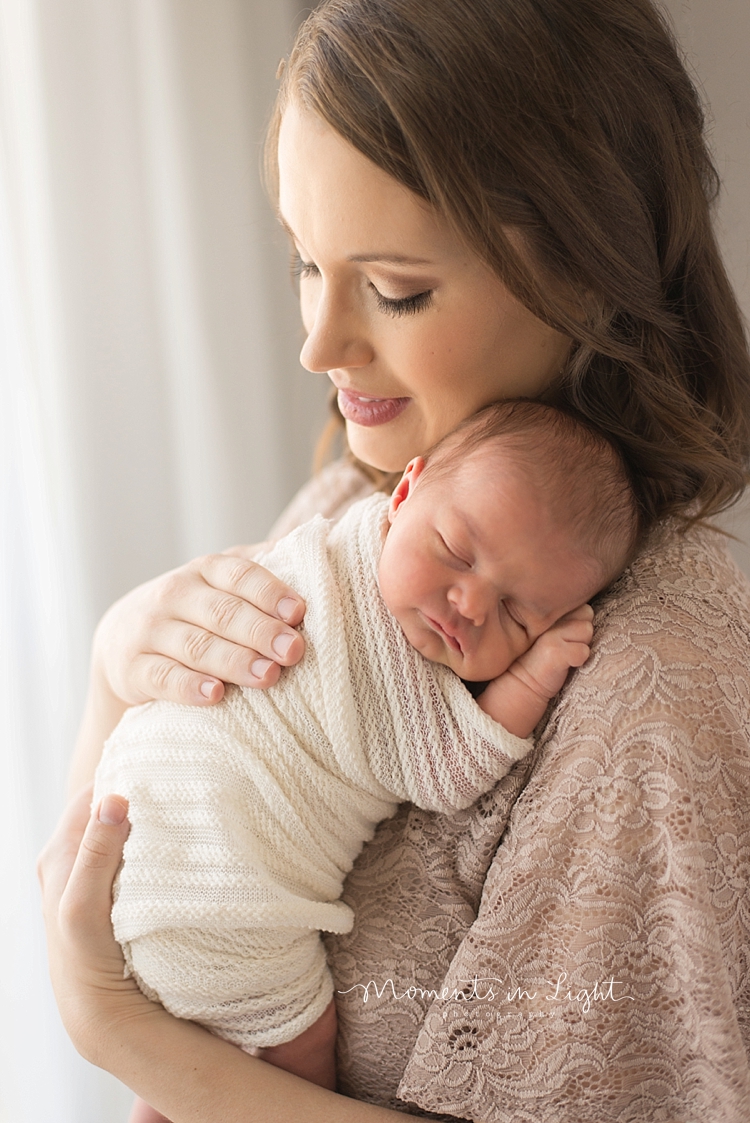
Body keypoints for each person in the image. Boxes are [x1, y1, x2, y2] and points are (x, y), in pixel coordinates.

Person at [38, 0, 750, 1120]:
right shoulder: (347, 507)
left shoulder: (650, 695)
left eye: (397, 287)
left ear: (589, 276)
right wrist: (112, 672)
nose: (319, 342)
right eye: (306, 263)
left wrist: (115, 1030)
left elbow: (124, 1008)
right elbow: (113, 885)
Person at [96, 400, 635, 1121]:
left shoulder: (338, 537)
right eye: (454, 549)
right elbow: (449, 771)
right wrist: (528, 680)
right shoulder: (345, 588)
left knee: (181, 1057)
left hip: (131, 837)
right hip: (212, 879)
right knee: (300, 1046)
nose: (468, 602)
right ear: (402, 492)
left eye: (517, 614)